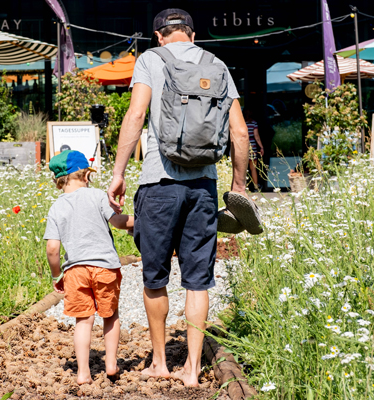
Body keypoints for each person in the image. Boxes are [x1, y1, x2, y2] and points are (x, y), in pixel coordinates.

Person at [107, 9, 252, 387]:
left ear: (159, 35)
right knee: (197, 281)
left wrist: (119, 172)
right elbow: (239, 134)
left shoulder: (150, 60)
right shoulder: (217, 64)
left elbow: (136, 115)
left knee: (155, 277)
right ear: (191, 33)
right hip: (203, 185)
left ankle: (159, 362)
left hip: (158, 183)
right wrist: (237, 188)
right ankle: (191, 370)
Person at [44, 150, 134, 385]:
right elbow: (118, 222)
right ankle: (112, 365)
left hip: (75, 271)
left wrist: (57, 274)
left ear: (58, 180)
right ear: (85, 175)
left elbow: (52, 249)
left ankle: (83, 372)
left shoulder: (56, 208)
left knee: (83, 320)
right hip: (105, 267)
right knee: (110, 315)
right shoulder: (97, 196)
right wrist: (142, 220)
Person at [244, 109, 264, 190]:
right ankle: (256, 186)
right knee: (253, 168)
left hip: (243, 146)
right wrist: (261, 147)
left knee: (243, 169)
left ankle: (243, 187)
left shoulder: (242, 123)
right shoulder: (254, 123)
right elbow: (256, 136)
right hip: (252, 146)